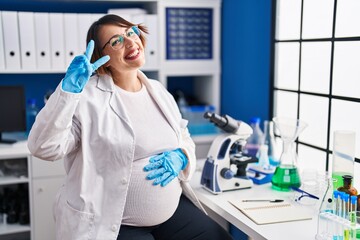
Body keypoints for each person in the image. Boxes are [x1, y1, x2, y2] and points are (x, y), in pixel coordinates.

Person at [27, 14, 234, 240]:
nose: (130, 42)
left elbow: (183, 135)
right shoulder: (87, 98)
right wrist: (68, 91)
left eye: (131, 32)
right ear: (102, 56)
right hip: (112, 223)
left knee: (218, 237)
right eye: (116, 41)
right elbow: (44, 147)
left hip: (171, 213)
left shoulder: (158, 90)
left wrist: (182, 156)